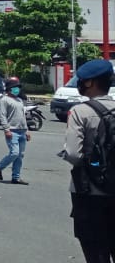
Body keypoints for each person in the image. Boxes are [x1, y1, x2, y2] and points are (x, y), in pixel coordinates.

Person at [61, 59, 115, 262]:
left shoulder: (80, 112)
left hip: (88, 192)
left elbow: (74, 154)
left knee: (96, 253)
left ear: (91, 83)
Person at [0, 77, 31, 185]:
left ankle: (16, 177)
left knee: (20, 155)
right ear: (9, 88)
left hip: (22, 130)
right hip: (12, 130)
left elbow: (22, 116)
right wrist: (6, 129)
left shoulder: (19, 100)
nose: (17, 89)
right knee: (14, 153)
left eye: (18, 87)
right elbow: (3, 115)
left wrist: (27, 130)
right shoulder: (4, 100)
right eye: (15, 87)